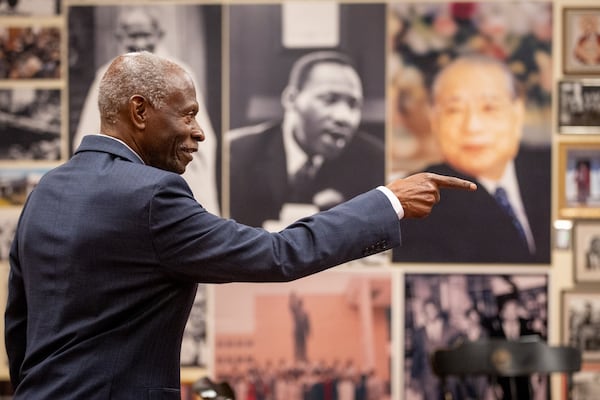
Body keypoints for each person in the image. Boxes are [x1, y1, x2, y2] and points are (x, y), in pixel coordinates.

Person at [5, 51, 475, 399]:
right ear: (140, 112)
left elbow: (20, 323)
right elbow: (279, 254)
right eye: (186, 114)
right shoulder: (152, 196)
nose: (200, 131)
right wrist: (389, 201)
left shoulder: (47, 190)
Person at [393, 54, 551, 264]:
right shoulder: (419, 199)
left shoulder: (551, 170)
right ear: (434, 119)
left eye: (489, 108)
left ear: (518, 112)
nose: (472, 127)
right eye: (454, 110)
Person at [72, 5, 220, 215]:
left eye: (146, 34)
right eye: (133, 35)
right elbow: (85, 139)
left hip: (172, 186)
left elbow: (203, 144)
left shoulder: (181, 76)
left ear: (159, 34)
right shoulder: (106, 77)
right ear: (119, 36)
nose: (140, 43)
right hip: (122, 188)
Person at [228, 51, 384, 228]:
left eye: (353, 105)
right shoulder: (235, 155)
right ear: (291, 99)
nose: (344, 117)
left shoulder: (374, 161)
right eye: (329, 100)